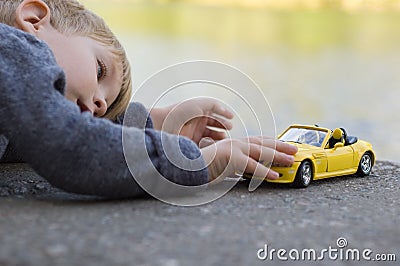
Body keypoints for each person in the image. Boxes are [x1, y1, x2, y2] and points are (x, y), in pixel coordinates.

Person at [0, 0, 297, 199]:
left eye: (97, 115)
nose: (99, 105)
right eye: (100, 70)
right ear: (34, 19)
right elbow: (69, 143)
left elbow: (35, 130)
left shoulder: (14, 98)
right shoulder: (13, 48)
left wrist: (151, 123)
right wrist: (201, 162)